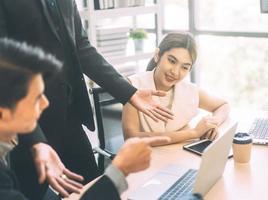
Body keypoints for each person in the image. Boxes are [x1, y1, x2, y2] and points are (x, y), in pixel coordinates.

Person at [0, 1, 173, 199]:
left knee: (95, 186)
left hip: (70, 116)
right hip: (28, 123)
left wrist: (129, 92)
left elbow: (81, 47)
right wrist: (36, 142)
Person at [122, 32, 230, 145]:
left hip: (177, 156)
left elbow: (223, 105)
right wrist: (193, 133)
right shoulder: (133, 85)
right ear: (157, 55)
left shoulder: (190, 91)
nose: (175, 72)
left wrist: (212, 123)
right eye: (172, 61)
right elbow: (131, 138)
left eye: (184, 67)